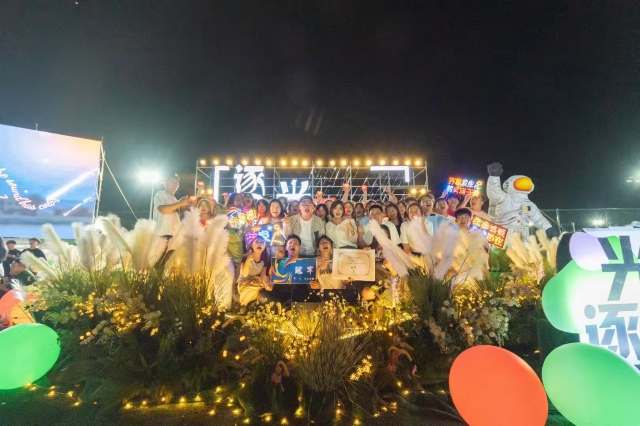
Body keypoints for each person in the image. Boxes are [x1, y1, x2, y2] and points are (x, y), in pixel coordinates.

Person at [237, 237, 272, 315]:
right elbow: (244, 274)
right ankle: (246, 304)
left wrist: (267, 284)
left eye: (262, 242)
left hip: (255, 284)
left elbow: (263, 275)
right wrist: (248, 260)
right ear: (252, 245)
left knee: (258, 288)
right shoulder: (246, 257)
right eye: (257, 242)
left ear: (265, 246)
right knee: (257, 286)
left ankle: (243, 305)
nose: (259, 243)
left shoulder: (264, 260)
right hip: (244, 284)